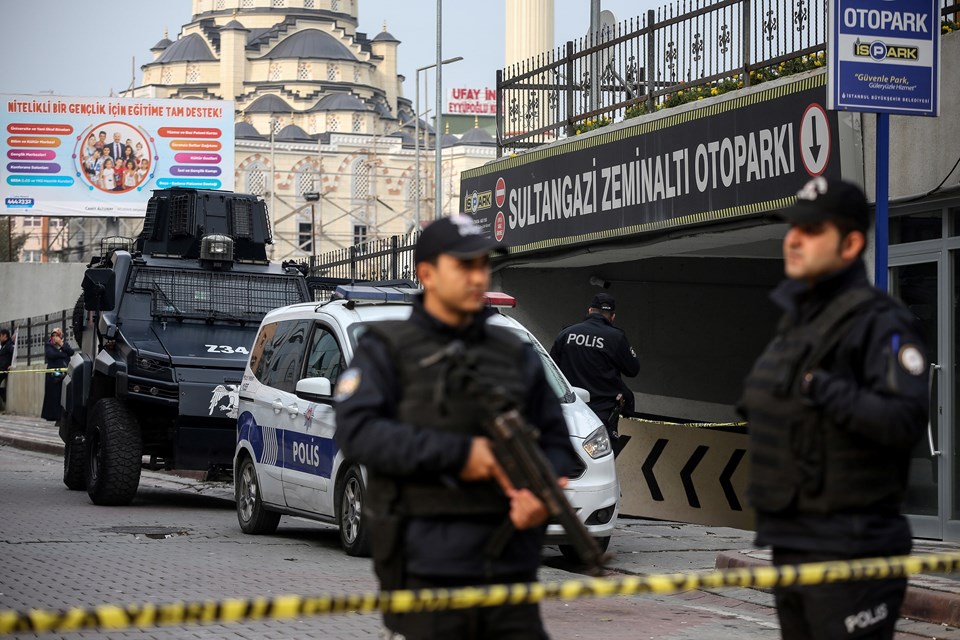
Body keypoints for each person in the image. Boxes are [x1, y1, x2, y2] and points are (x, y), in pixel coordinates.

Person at [336, 215, 577, 640]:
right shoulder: (387, 348)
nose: (476, 276)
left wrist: (541, 496)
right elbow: (359, 432)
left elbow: (558, 442)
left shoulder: (514, 352)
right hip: (429, 562)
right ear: (426, 273)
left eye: (481, 265)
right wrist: (461, 456)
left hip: (507, 566)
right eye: (463, 266)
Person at [738, 177, 929, 640]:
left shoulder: (880, 323)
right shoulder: (798, 323)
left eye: (811, 230)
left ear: (851, 244)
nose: (794, 239)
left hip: (853, 550)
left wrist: (821, 388)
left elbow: (903, 419)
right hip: (795, 545)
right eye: (792, 229)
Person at [550, 292, 639, 446]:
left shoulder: (566, 334)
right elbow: (633, 370)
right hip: (600, 414)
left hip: (569, 410)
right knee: (600, 460)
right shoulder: (616, 337)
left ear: (590, 310)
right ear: (612, 316)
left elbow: (552, 371)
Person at [41, 328, 74, 422]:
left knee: (62, 393)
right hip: (53, 373)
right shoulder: (49, 345)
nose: (55, 338)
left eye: (57, 336)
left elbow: (71, 352)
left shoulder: (64, 345)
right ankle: (51, 415)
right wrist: (63, 354)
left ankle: (61, 415)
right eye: (53, 336)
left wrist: (62, 345)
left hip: (64, 372)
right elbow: (51, 355)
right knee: (53, 394)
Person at [0, 328, 13, 411]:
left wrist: (11, 365)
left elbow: (13, 354)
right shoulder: (3, 345)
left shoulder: (9, 345)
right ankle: (2, 393)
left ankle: (2, 393)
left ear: (5, 336)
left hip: (3, 369)